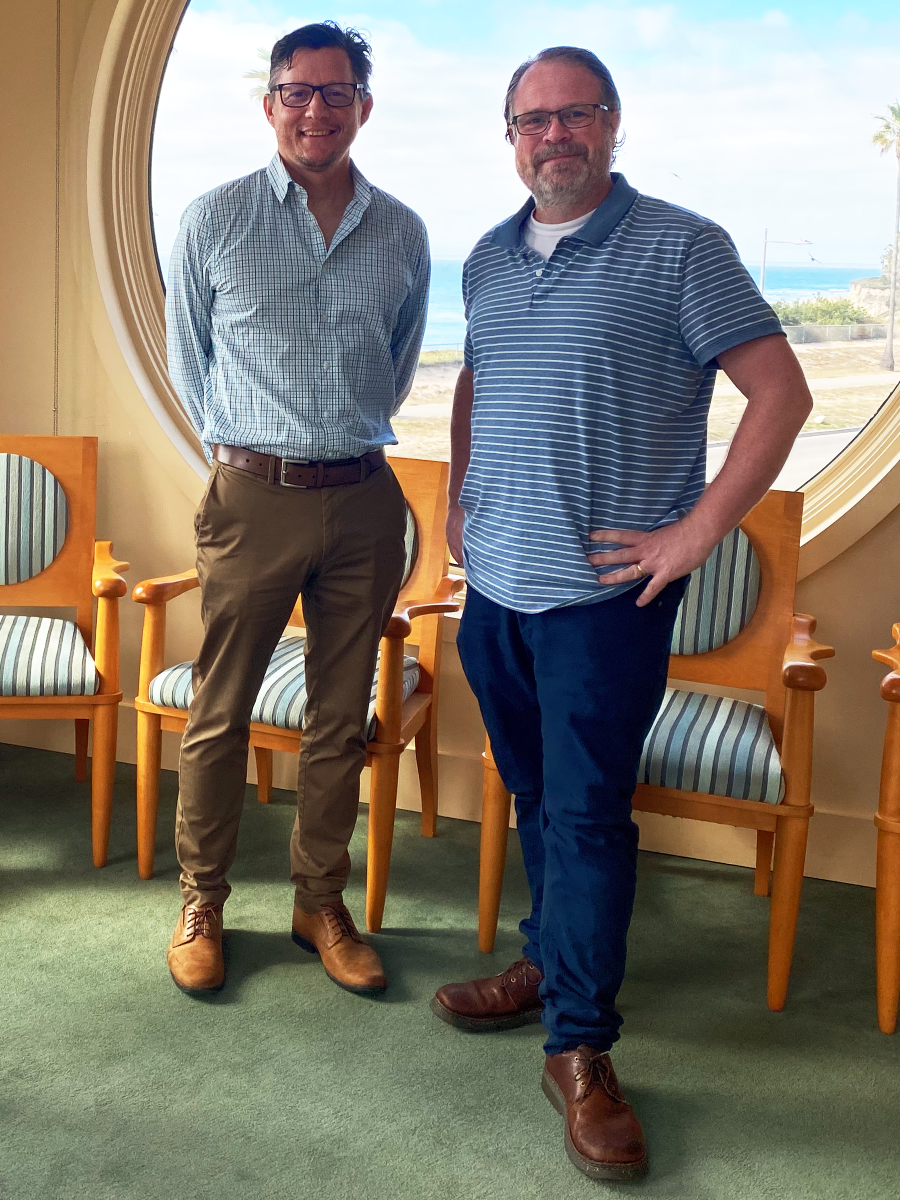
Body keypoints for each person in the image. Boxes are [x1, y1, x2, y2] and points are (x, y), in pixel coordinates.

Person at [430, 46, 812, 1181]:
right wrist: (457, 500)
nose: (554, 136)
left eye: (575, 115)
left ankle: (582, 1050)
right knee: (539, 795)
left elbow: (779, 394)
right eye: (532, 120)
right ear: (510, 137)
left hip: (601, 602)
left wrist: (696, 533)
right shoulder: (491, 259)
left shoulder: (683, 248)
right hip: (492, 591)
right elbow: (475, 377)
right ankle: (552, 961)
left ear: (611, 125)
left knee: (589, 817)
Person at [164, 22, 429, 999]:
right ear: (269, 103)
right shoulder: (214, 219)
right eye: (295, 91)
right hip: (250, 499)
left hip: (363, 500)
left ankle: (320, 900)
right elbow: (190, 361)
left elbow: (396, 366)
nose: (315, 108)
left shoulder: (401, 231)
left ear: (365, 103)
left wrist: (336, 443)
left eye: (335, 91)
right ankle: (202, 903)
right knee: (219, 712)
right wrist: (248, 454)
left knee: (338, 719)